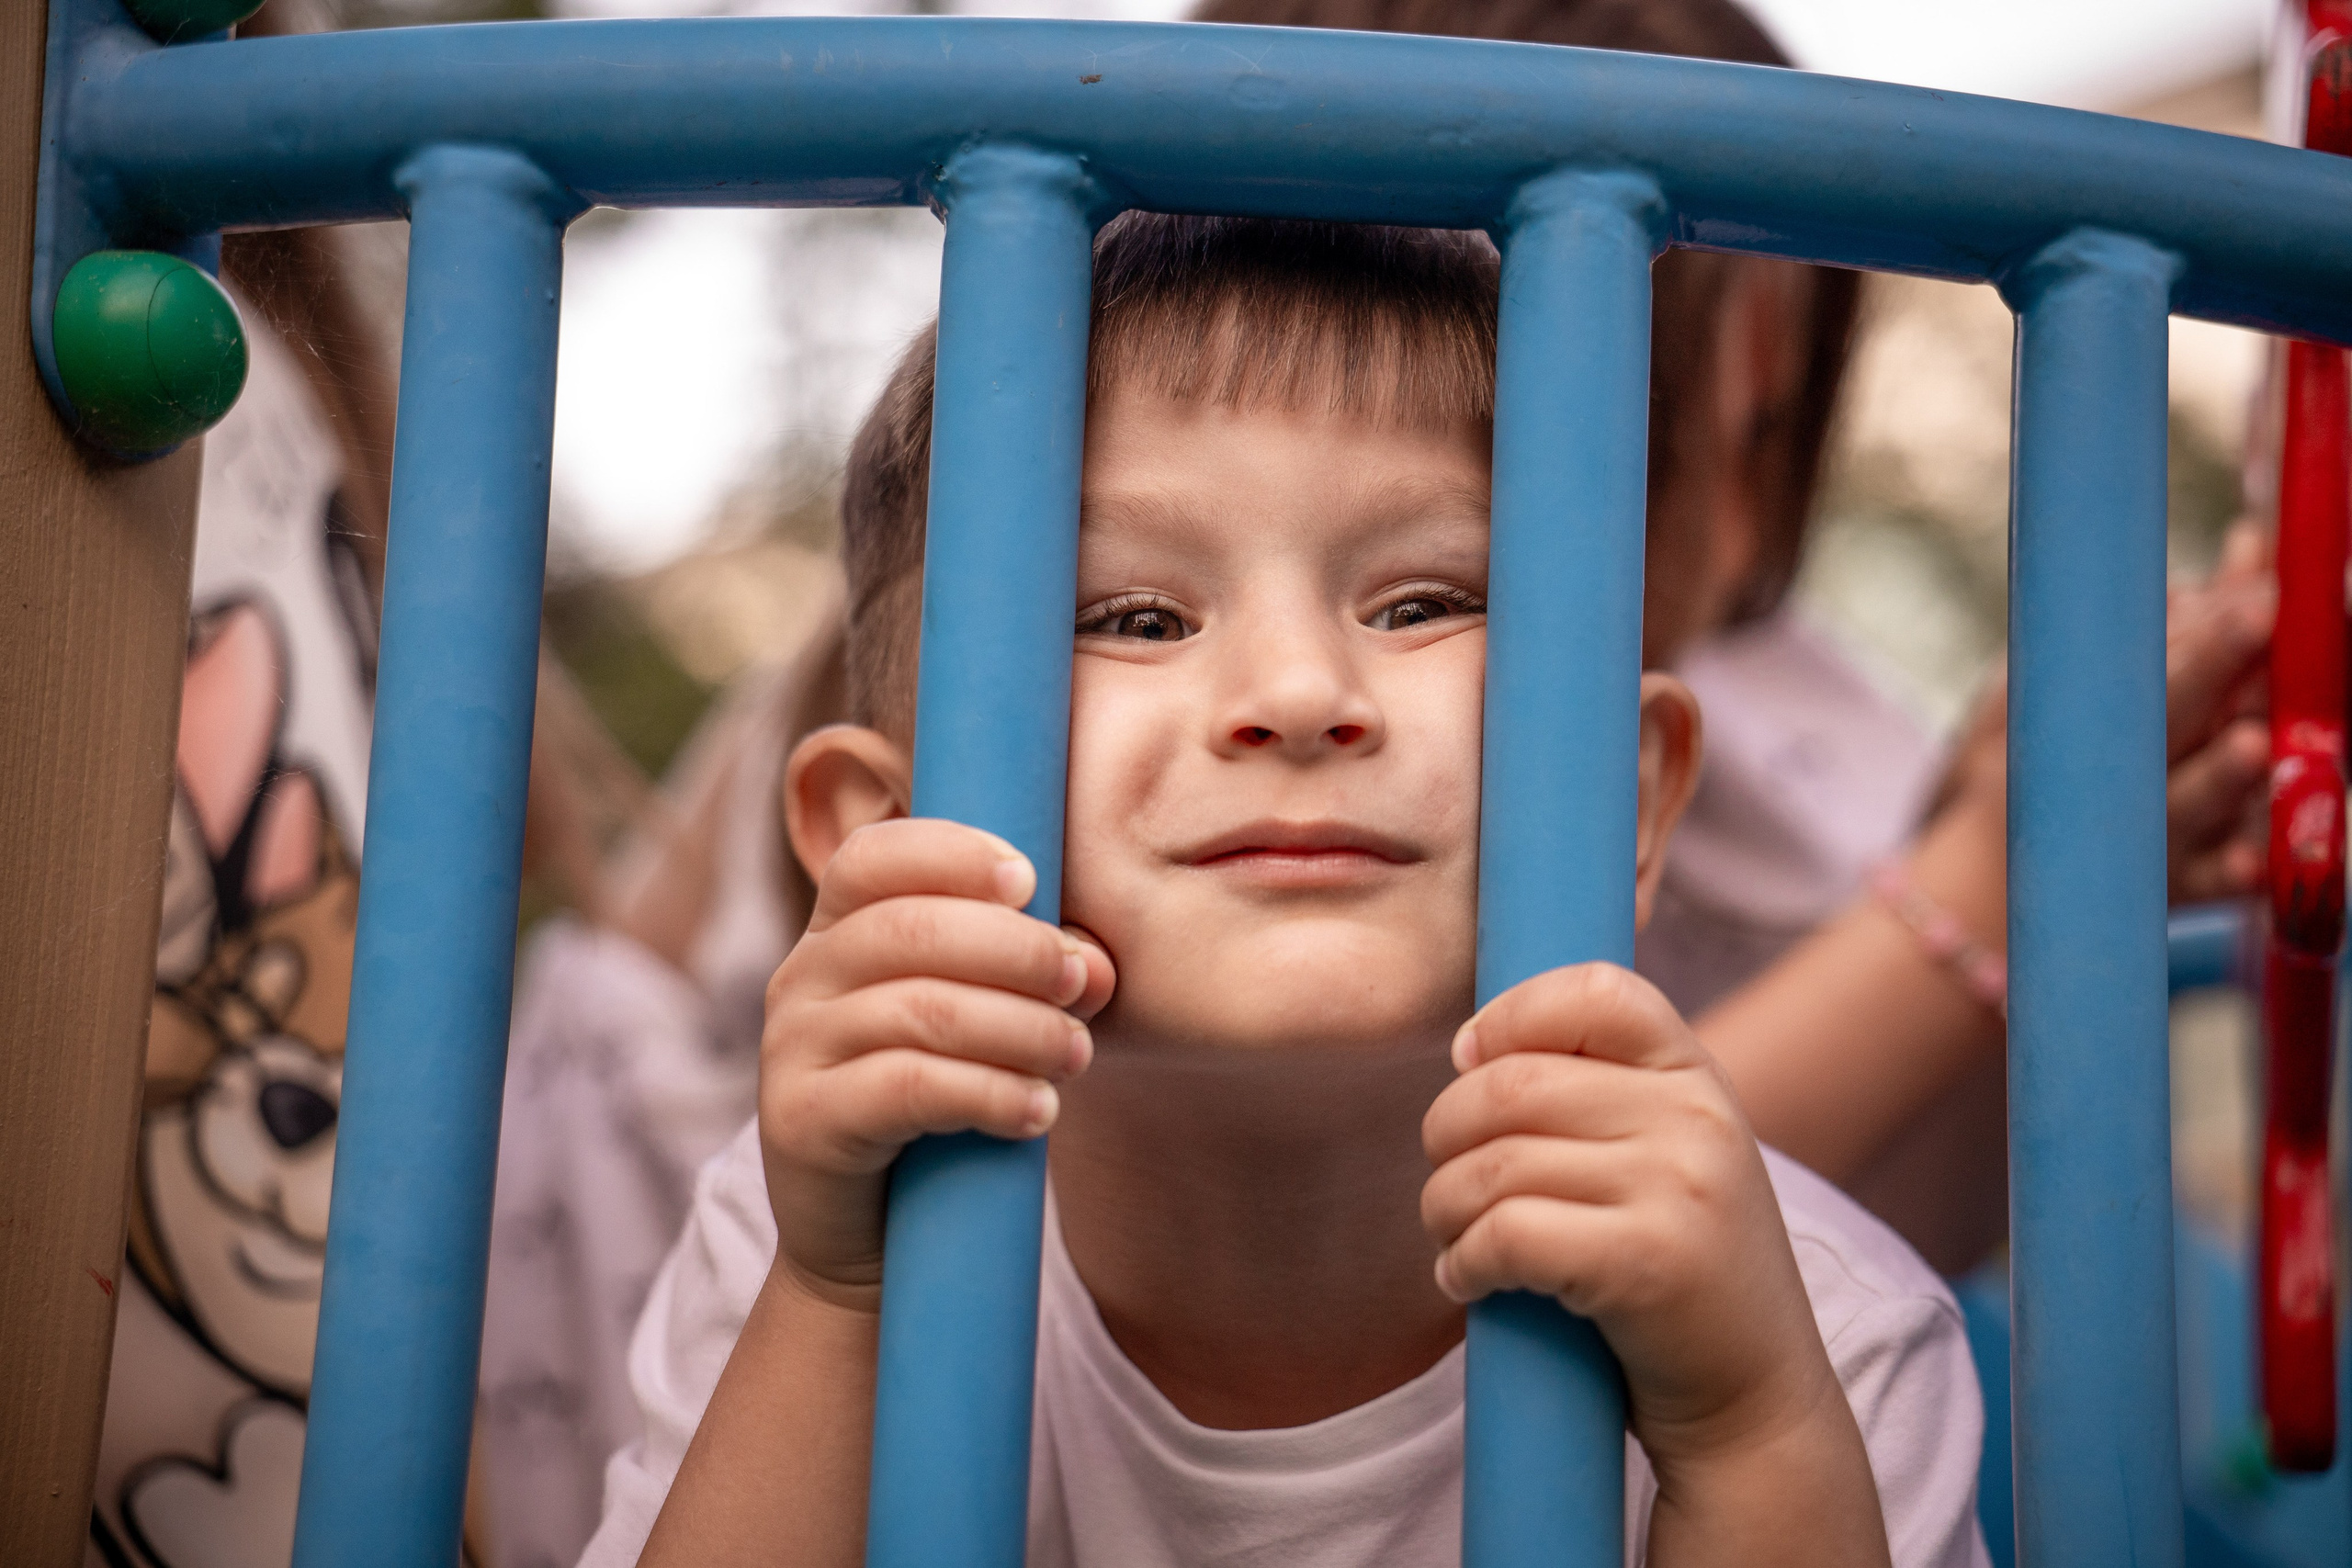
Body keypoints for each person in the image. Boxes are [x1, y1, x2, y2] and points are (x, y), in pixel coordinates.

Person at [582, 212, 1990, 1568]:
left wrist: (1745, 1440)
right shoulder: (814, 1242)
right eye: (1136, 618)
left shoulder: (1806, 1331)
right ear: (881, 836)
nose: (1303, 694)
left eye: (1422, 600)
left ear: (1625, 791)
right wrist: (842, 1299)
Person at [1194, 0, 2275, 1272]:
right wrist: (1977, 879)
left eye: (1775, 428)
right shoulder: (1242, 762)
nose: (1745, 511)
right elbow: (1439, 1259)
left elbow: (1912, 1231)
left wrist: (2009, 854)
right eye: (1712, 419)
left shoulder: (1746, 735)